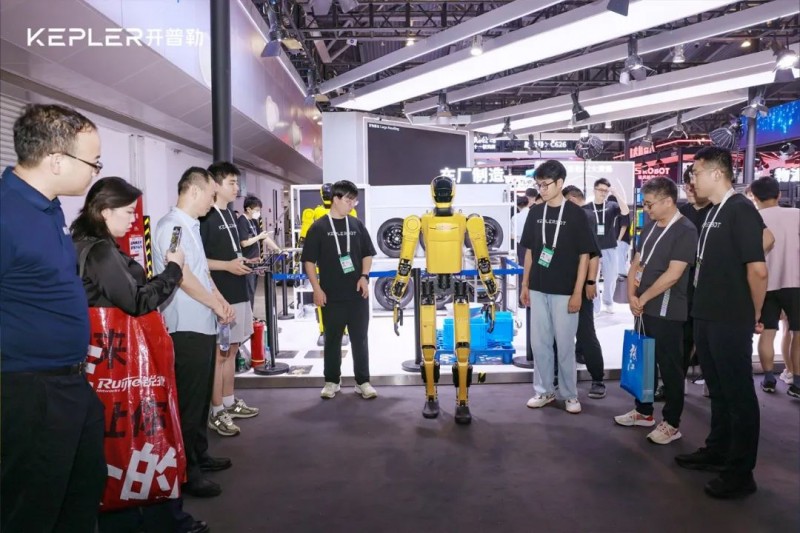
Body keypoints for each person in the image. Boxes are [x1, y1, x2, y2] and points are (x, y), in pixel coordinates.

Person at [72, 177, 209, 533]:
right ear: (105, 211)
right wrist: (173, 270)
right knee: (146, 433)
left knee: (119, 444)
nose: (134, 219)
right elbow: (136, 300)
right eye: (129, 212)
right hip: (125, 362)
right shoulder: (101, 252)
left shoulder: (86, 245)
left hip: (105, 362)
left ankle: (142, 518)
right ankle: (162, 518)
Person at [1, 103, 106, 532]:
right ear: (57, 160)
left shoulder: (49, 208)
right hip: (29, 391)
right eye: (93, 162)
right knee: (31, 509)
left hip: (70, 383)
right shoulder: (7, 214)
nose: (96, 171)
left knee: (80, 495)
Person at [674, 147, 768, 499]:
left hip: (731, 317)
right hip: (706, 313)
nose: (692, 179)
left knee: (738, 395)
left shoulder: (741, 209)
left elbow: (758, 269)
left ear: (717, 173)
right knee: (719, 390)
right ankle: (718, 450)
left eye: (696, 172)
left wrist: (754, 313)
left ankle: (741, 473)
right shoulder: (715, 210)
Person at [154, 167, 234, 499]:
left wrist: (219, 299)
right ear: (195, 191)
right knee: (188, 402)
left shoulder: (191, 226)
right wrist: (214, 305)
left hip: (202, 323)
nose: (212, 202)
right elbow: (183, 276)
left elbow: (201, 272)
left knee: (200, 399)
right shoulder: (172, 227)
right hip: (185, 327)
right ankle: (188, 472)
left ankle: (200, 454)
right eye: (211, 195)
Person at [615, 177, 698, 445]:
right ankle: (643, 411)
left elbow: (674, 274)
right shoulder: (649, 227)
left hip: (667, 309)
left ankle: (672, 423)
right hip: (643, 307)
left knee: (670, 367)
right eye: (645, 204)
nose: (647, 209)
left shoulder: (685, 230)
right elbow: (636, 263)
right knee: (644, 360)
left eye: (650, 204)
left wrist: (643, 297)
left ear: (668, 201)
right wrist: (631, 295)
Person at [520, 161, 595, 414]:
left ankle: (569, 394)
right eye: (538, 185)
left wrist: (577, 292)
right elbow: (530, 251)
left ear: (560, 183)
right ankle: (544, 391)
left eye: (545, 184)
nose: (541, 189)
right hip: (538, 288)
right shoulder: (535, 213)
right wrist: (525, 284)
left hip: (565, 291)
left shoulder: (576, 214)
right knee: (539, 343)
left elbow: (585, 255)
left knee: (565, 345)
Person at [301, 180, 378, 399]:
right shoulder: (319, 227)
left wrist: (364, 276)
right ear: (336, 199)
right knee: (332, 339)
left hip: (357, 294)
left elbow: (367, 253)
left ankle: (363, 382)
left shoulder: (356, 225)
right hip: (331, 295)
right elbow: (309, 261)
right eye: (348, 200)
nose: (352, 204)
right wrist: (316, 289)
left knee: (360, 339)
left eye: (354, 201)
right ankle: (332, 381)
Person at [201, 162, 260, 438]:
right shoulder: (206, 218)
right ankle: (216, 411)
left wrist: (244, 263)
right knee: (219, 354)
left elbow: (232, 254)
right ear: (215, 184)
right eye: (231, 183)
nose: (237, 188)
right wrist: (227, 266)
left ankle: (228, 401)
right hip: (219, 295)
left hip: (238, 291)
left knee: (232, 350)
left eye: (237, 182)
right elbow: (197, 262)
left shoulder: (231, 216)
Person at [749, 176, 800, 398]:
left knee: (767, 333)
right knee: (798, 334)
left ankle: (769, 379)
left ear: (754, 196)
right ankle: (797, 382)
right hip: (796, 282)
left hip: (765, 284)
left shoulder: (752, 218)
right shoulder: (796, 215)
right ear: (779, 194)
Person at [563, 186, 606, 399]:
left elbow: (593, 254)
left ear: (571, 199)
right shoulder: (564, 218)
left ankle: (597, 378)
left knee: (585, 332)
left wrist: (590, 282)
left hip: (579, 287)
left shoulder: (584, 217)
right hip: (560, 286)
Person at [584, 178, 630, 314]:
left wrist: (615, 194)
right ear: (594, 190)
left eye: (606, 191)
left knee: (611, 278)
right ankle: (595, 306)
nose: (603, 193)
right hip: (593, 249)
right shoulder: (586, 208)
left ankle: (608, 302)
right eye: (600, 190)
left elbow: (625, 211)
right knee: (593, 278)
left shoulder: (611, 206)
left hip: (609, 246)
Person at [237, 194, 280, 311]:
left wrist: (278, 249)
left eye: (259, 210)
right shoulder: (242, 222)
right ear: (248, 209)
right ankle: (248, 316)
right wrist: (259, 237)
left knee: (252, 290)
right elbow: (244, 243)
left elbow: (264, 237)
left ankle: (251, 315)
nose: (258, 213)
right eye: (256, 210)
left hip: (255, 262)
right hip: (247, 262)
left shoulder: (253, 221)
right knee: (248, 291)